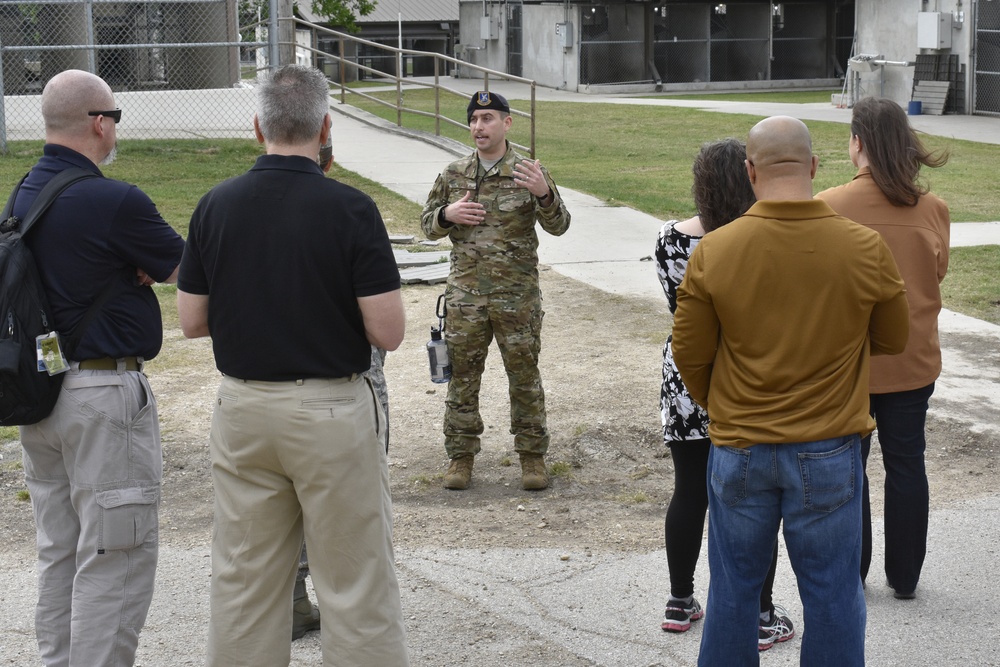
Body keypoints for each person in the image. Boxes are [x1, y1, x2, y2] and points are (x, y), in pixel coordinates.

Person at [176, 64, 409, 666]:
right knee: (354, 583)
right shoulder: (351, 209)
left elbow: (192, 321)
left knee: (244, 584)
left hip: (244, 407)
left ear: (258, 126)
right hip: (330, 408)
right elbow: (388, 331)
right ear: (326, 126)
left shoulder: (214, 205)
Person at [671, 116, 910, 667]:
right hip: (828, 444)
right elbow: (894, 339)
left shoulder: (716, 250)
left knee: (731, 592)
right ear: (813, 167)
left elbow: (690, 352)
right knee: (832, 593)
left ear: (750, 172)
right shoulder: (863, 247)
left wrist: (721, 406)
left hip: (740, 445)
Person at [15, 69, 184, 666]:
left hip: (42, 394)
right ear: (97, 122)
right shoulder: (115, 200)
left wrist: (125, 267)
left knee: (61, 551)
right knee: (117, 554)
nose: (114, 129)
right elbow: (189, 269)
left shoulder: (25, 193)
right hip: (103, 393)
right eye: (114, 117)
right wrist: (139, 266)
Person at [655, 138, 793, 650]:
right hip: (744, 378)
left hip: (686, 378)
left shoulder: (670, 239)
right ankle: (760, 611)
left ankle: (679, 599)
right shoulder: (762, 238)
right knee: (753, 501)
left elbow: (679, 308)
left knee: (689, 490)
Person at [816, 97, 950, 600]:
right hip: (913, 360)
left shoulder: (828, 205)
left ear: (858, 144)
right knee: (907, 461)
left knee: (852, 465)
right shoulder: (933, 210)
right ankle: (906, 576)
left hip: (849, 364)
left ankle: (856, 568)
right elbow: (935, 274)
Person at [420, 91, 571, 491]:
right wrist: (446, 215)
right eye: (473, 119)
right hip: (465, 301)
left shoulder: (528, 172)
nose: (478, 127)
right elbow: (426, 226)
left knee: (523, 375)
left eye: (487, 118)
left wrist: (543, 193)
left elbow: (560, 226)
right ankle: (460, 457)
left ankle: (533, 457)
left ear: (507, 123)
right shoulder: (454, 174)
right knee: (463, 378)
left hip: (516, 299)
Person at [293, 346, 388, 640]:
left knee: (279, 495)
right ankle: (354, 613)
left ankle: (292, 599)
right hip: (344, 376)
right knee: (353, 497)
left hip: (262, 379)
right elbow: (387, 330)